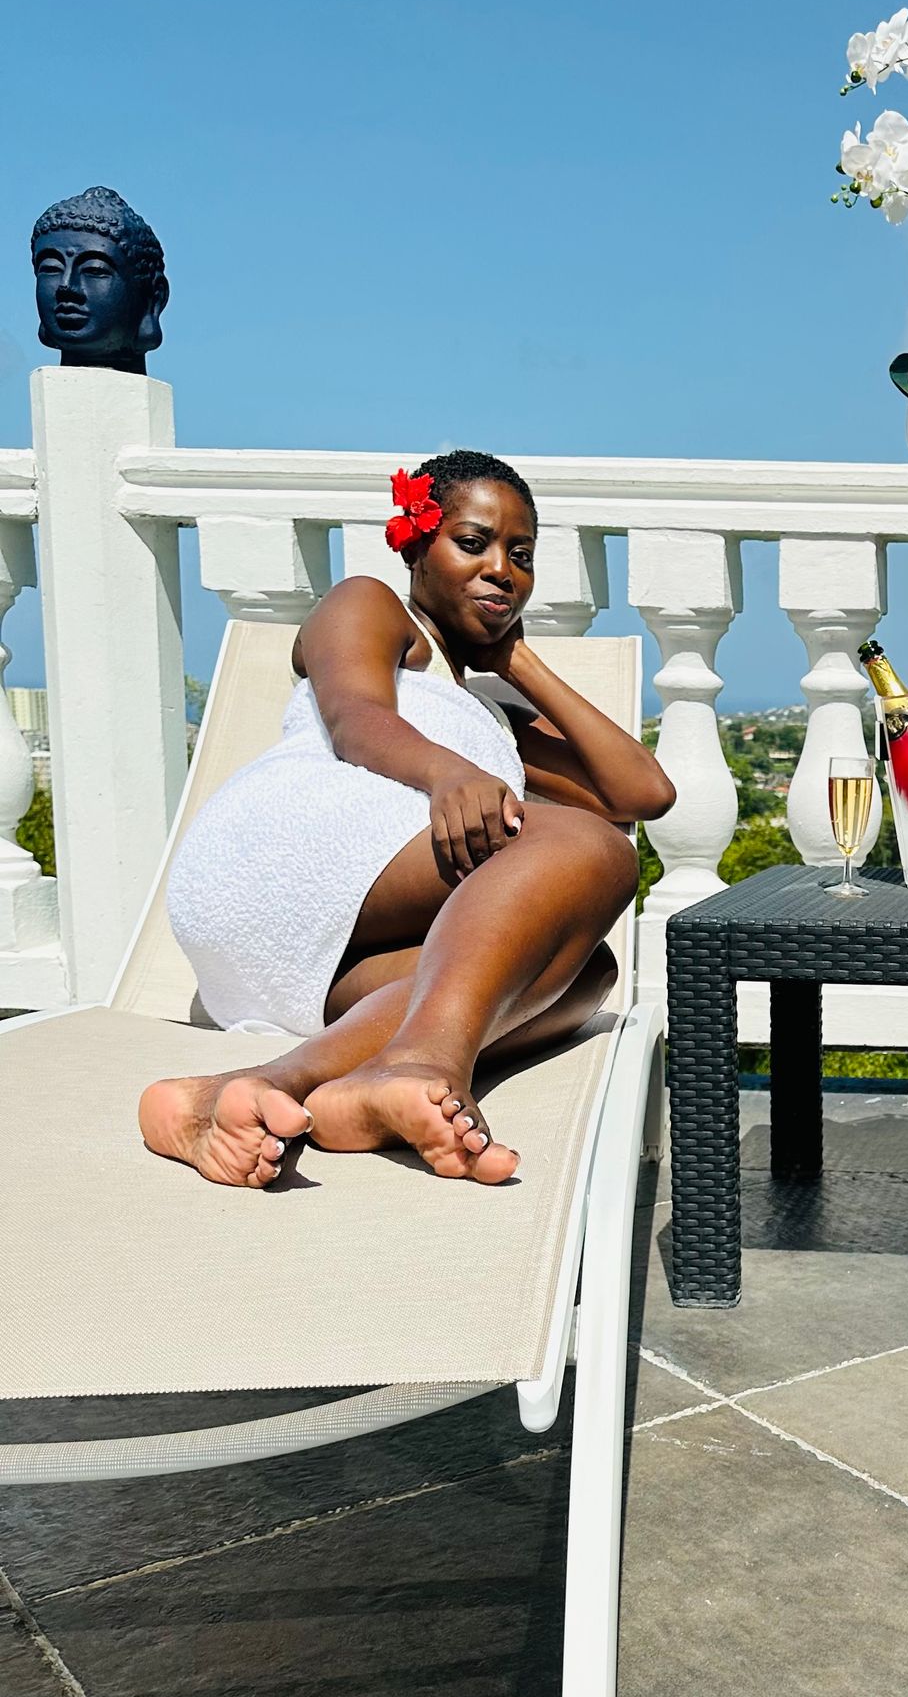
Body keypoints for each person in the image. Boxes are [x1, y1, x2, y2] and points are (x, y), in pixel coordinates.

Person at [140, 450, 675, 1187]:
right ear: (416, 543)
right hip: (285, 849)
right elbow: (356, 717)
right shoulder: (369, 605)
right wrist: (449, 773)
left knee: (582, 973)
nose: (501, 570)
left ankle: (254, 1088)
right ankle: (422, 1063)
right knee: (599, 851)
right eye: (474, 542)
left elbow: (643, 790)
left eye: (521, 556)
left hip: (308, 968)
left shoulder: (488, 714)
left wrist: (518, 663)